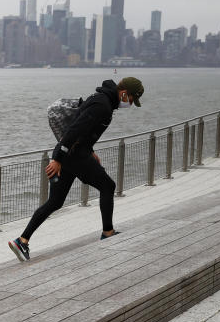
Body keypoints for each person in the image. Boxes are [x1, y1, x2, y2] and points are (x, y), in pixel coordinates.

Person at [8, 76, 144, 262]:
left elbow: (86, 131)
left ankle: (22, 241)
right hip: (73, 155)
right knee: (107, 186)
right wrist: (57, 159)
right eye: (131, 99)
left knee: (55, 201)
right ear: (123, 93)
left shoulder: (103, 100)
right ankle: (108, 232)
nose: (130, 104)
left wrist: (90, 150)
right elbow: (75, 129)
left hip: (73, 154)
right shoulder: (102, 105)